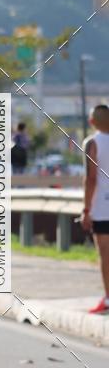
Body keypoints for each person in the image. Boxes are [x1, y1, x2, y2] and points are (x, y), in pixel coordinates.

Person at [81, 104, 109, 314]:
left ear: (92, 122)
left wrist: (86, 210)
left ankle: (108, 298)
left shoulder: (92, 143)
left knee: (105, 253)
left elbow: (91, 178)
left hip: (102, 206)